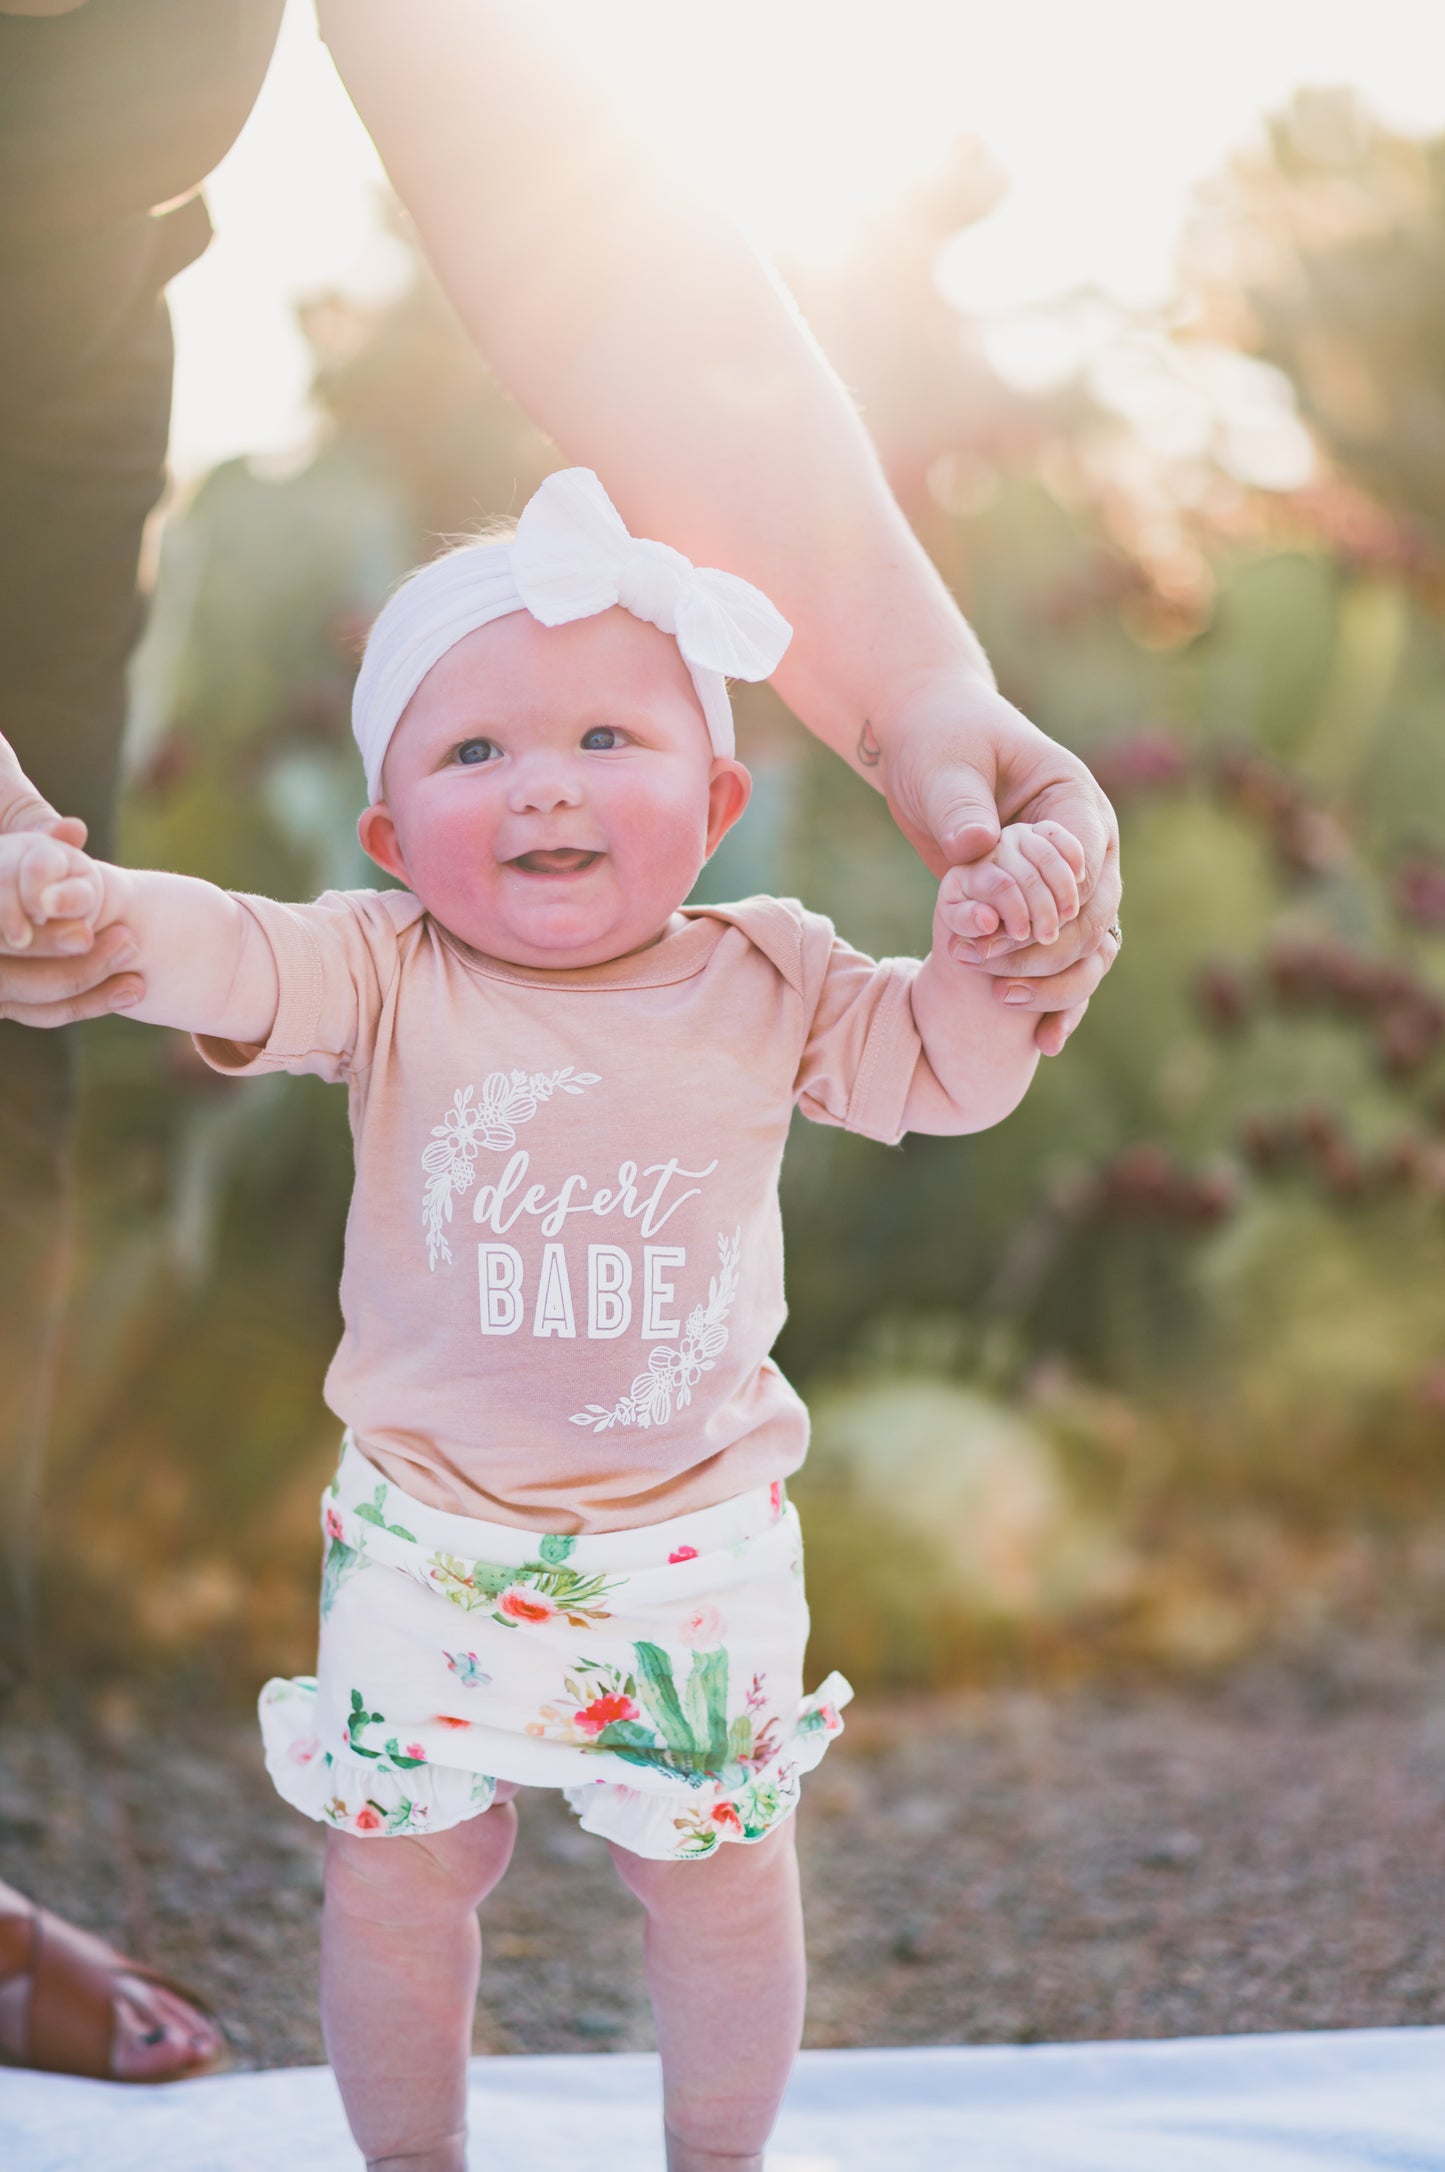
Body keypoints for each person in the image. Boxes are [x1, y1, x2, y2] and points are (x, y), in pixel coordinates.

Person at [0, 0, 1120, 2086]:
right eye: (482, 749)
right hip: (429, 1535)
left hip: (690, 1541)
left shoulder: (762, 972)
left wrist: (982, 890)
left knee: (716, 1872)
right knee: (401, 1873)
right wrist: (88, 914)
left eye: (608, 738)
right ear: (385, 831)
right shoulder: (385, 966)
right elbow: (225, 951)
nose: (542, 785)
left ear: (712, 808)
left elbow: (561, 166)